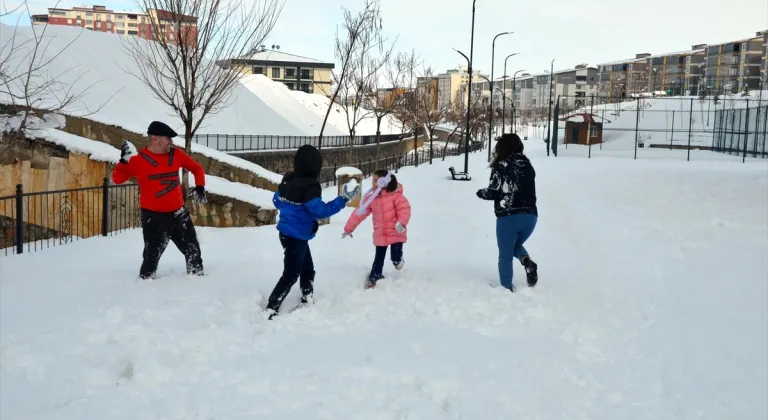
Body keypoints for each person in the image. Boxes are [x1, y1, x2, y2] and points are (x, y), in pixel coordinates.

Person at [267, 144, 360, 319]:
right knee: (291, 273)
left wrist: (292, 211)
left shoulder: (288, 179)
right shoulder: (310, 187)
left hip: (288, 234)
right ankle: (272, 307)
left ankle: (307, 296)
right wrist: (343, 199)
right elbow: (320, 211)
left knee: (307, 268)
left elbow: (276, 201)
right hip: (296, 236)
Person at [112, 121, 208, 280]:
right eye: (168, 138)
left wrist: (200, 186)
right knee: (151, 258)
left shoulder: (176, 154)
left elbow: (197, 168)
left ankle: (197, 282)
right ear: (156, 139)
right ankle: (145, 290)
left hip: (179, 214)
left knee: (193, 251)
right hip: (154, 218)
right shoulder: (138, 160)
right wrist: (123, 162)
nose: (171, 141)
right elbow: (117, 179)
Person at [476, 133, 538, 292]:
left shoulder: (501, 166)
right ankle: (526, 262)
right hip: (531, 216)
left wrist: (481, 193)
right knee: (515, 245)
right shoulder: (527, 165)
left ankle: (506, 289)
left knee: (505, 254)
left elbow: (494, 192)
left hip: (509, 215)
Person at [343, 169, 412, 289]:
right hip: (380, 233)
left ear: (384, 182)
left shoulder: (397, 196)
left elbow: (404, 210)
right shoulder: (372, 198)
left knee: (395, 256)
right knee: (379, 257)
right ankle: (375, 275)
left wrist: (402, 223)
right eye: (372, 180)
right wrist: (349, 228)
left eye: (376, 180)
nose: (373, 183)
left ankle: (398, 261)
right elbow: (359, 213)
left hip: (396, 231)